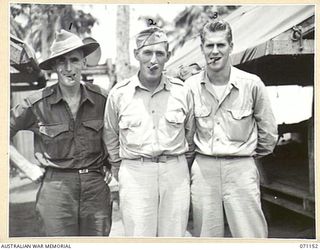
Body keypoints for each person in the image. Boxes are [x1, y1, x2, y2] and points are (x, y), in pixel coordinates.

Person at [10, 29, 112, 236]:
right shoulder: (37, 103)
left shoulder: (103, 99)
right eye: (61, 61)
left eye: (74, 60)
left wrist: (110, 162)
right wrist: (26, 167)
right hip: (56, 188)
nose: (68, 68)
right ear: (55, 66)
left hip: (95, 188)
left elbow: (114, 134)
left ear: (84, 63)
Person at [184, 20, 278, 238]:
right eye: (209, 46)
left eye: (221, 45)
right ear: (202, 49)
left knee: (250, 235)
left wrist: (246, 159)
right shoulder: (190, 87)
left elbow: (268, 133)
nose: (215, 52)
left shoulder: (251, 84)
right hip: (204, 169)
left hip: (241, 168)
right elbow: (187, 134)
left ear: (231, 46)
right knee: (207, 236)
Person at [103, 26, 195, 237]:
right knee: (138, 237)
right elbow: (110, 134)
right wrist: (119, 165)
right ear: (136, 54)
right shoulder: (119, 94)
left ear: (168, 57)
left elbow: (190, 133)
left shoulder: (182, 92)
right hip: (136, 173)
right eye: (147, 53)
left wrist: (179, 164)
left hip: (175, 172)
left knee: (174, 236)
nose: (153, 60)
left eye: (159, 53)